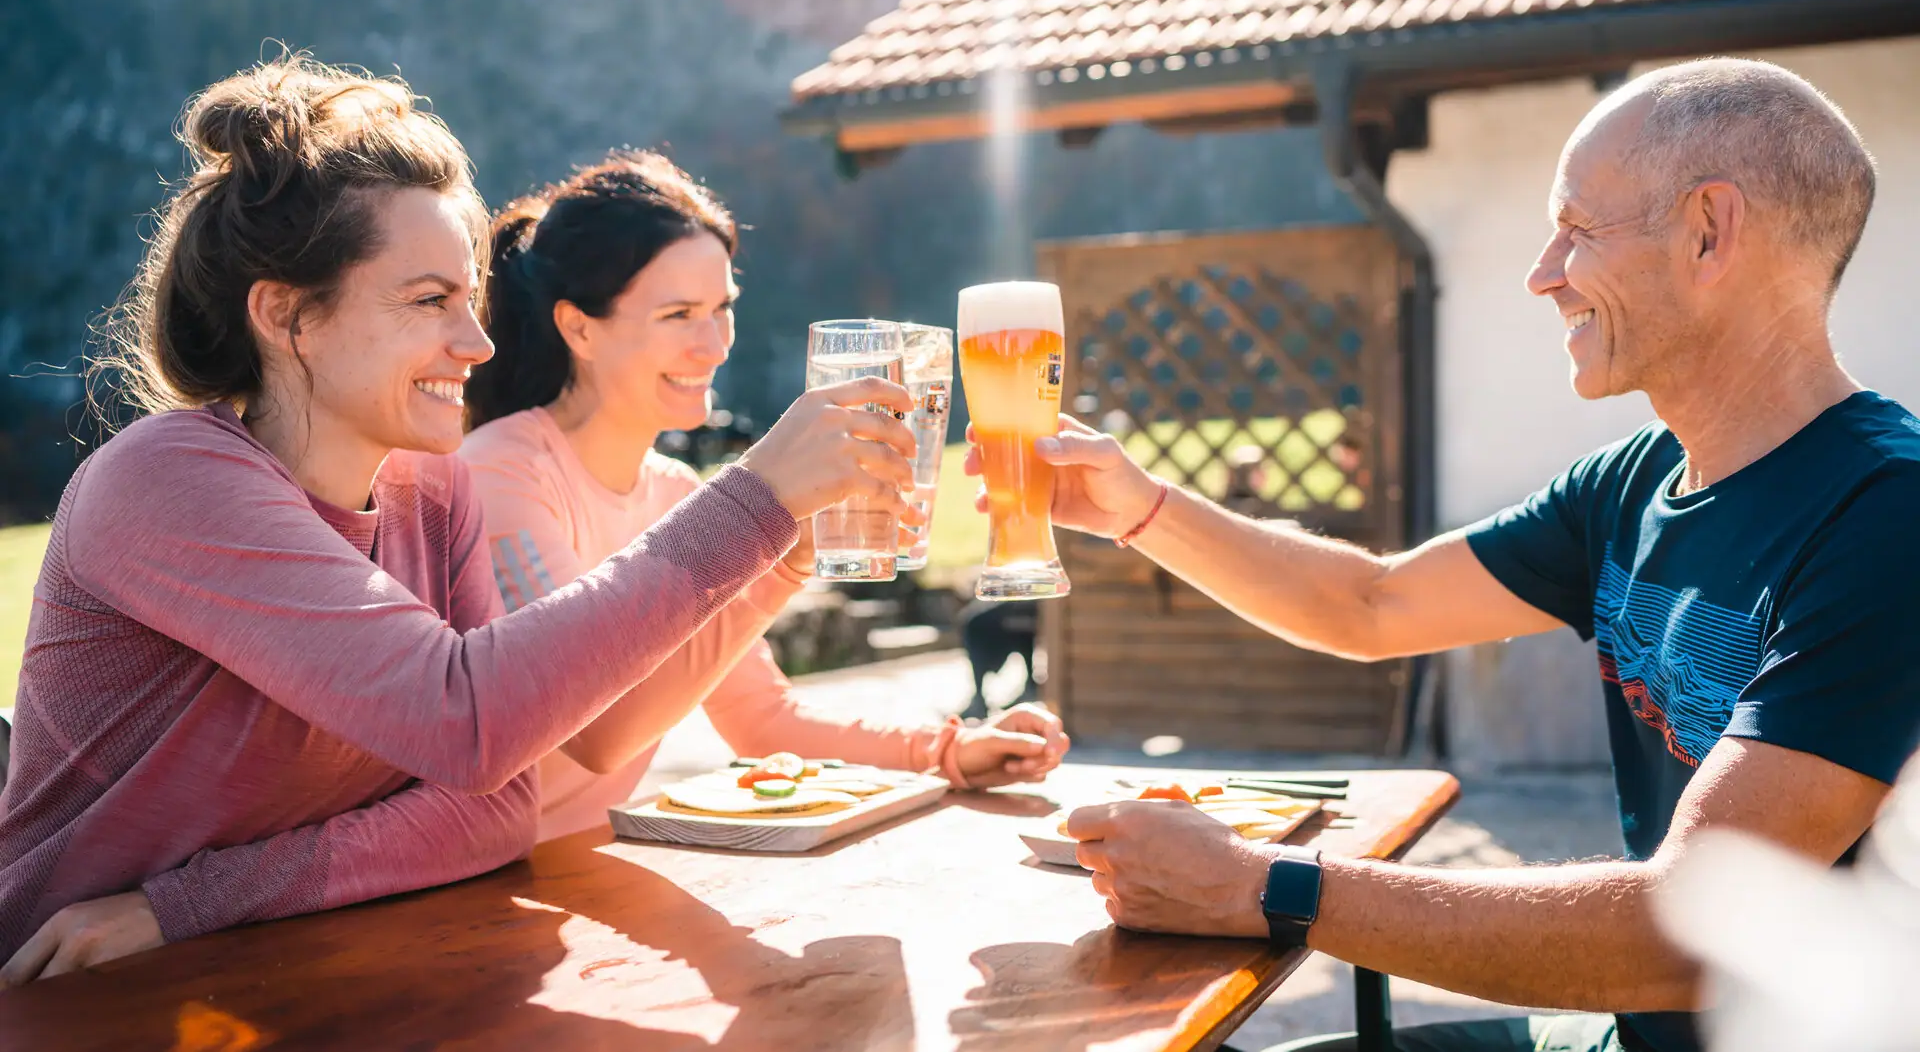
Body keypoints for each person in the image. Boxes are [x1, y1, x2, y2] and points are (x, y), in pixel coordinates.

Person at [971, 59, 1920, 1052]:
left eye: (1578, 229)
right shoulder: (1632, 480)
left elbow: (1688, 933)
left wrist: (1261, 886)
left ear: (1708, 233)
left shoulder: (1886, 517)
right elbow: (1372, 605)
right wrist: (1140, 508)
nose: (1542, 271)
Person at [0, 56, 916, 983]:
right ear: (287, 316)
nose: (477, 343)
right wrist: (754, 499)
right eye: (430, 300)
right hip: (72, 996)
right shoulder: (168, 479)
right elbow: (468, 717)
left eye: (470, 296)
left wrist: (187, 905)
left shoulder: (435, 494)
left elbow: (491, 804)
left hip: (295, 976)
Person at [460, 150, 1068, 840]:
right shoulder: (499, 477)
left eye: (723, 308)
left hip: (583, 874)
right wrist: (770, 540)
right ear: (578, 327)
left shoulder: (673, 491)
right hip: (465, 899)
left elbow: (763, 721)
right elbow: (598, 733)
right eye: (680, 313)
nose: (715, 343)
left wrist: (949, 750)